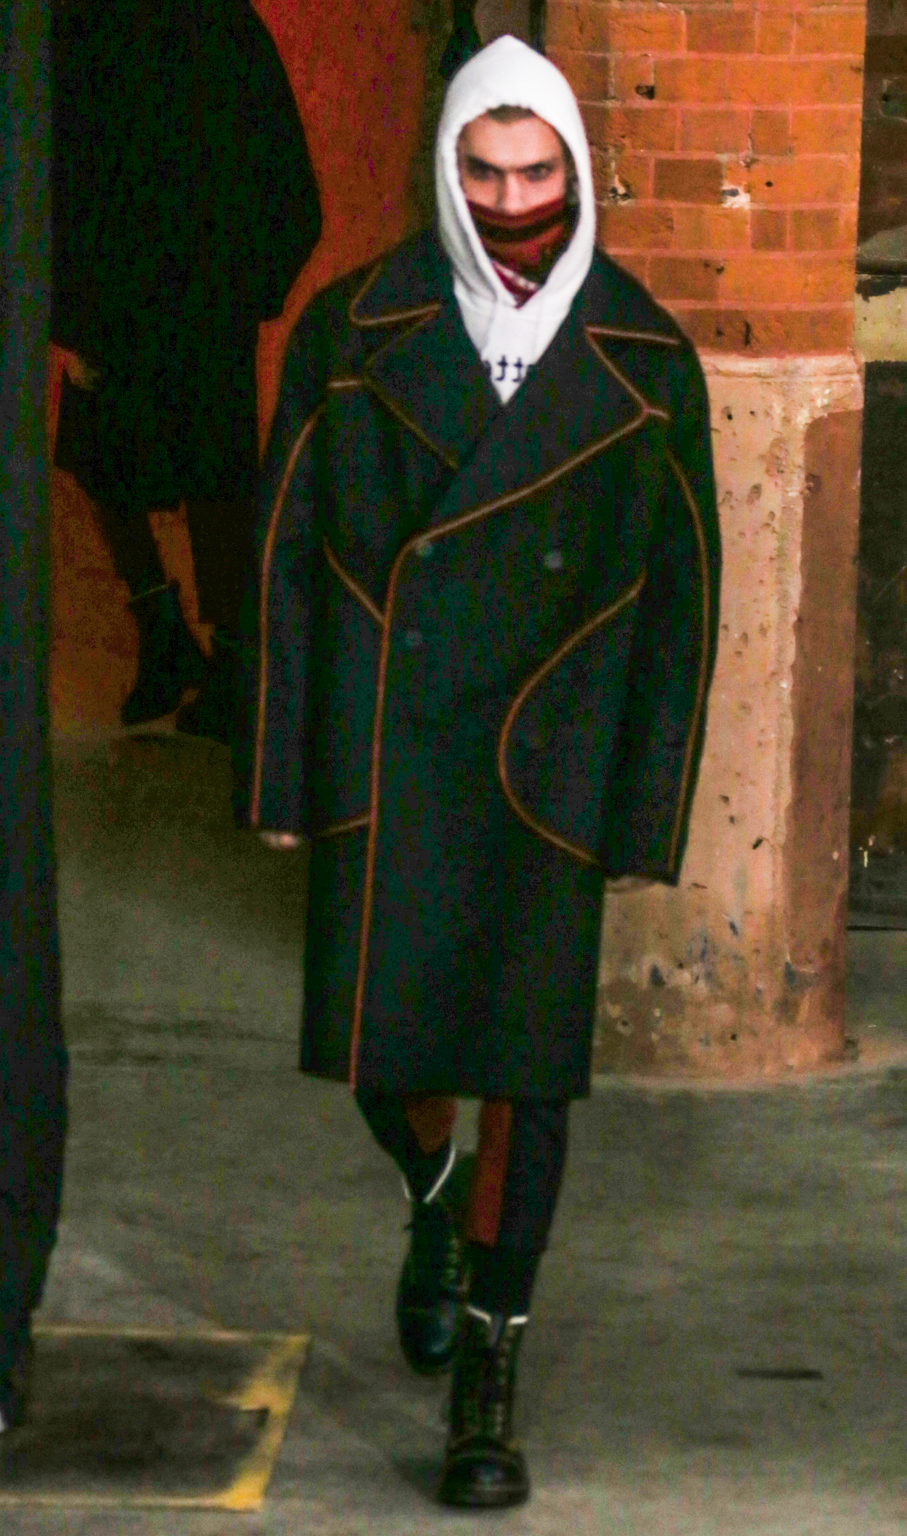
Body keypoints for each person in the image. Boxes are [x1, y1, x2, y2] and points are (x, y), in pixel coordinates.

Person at [236, 34, 720, 1509]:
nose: (515, 202)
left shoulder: (645, 360)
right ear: (445, 171)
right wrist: (281, 773)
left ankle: (489, 1387)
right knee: (383, 1058)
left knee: (527, 1080)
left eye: (539, 171)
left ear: (578, 169)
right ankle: (437, 1198)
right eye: (487, 172)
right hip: (392, 751)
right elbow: (284, 559)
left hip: (548, 766)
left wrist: (644, 806)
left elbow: (682, 604)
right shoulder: (352, 330)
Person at [51, 0, 322, 739]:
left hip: (165, 297)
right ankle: (191, 647)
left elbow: (285, 183)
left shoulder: (103, 27)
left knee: (196, 476)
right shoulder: (209, 24)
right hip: (160, 298)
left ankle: (204, 652)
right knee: (172, 471)